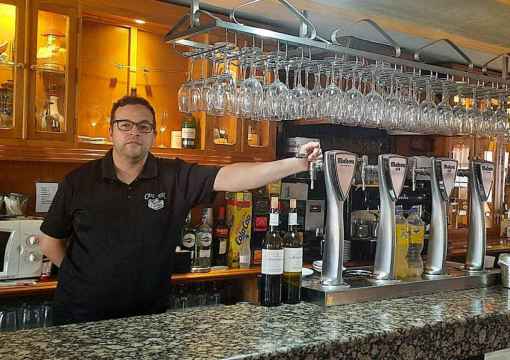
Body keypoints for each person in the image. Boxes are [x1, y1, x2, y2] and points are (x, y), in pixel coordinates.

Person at [38, 96, 321, 325]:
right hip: (81, 317)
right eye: (124, 125)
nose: (134, 131)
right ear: (110, 130)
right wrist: (83, 276)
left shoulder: (174, 176)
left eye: (144, 126)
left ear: (153, 135)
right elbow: (49, 242)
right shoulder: (79, 181)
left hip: (148, 318)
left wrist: (296, 164)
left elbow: (233, 175)